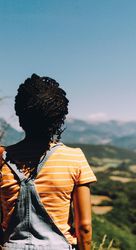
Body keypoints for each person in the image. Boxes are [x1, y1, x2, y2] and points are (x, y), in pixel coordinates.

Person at [0, 74, 97, 250]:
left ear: (20, 116)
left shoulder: (2, 159)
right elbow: (84, 228)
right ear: (58, 119)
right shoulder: (74, 158)